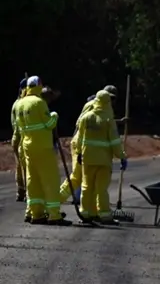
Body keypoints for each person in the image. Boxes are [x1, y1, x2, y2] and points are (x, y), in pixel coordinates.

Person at [12, 76, 70, 225]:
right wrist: (54, 115)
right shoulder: (39, 102)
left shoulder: (19, 104)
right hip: (43, 147)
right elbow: (49, 124)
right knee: (50, 180)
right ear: (38, 86)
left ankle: (36, 214)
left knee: (33, 181)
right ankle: (54, 215)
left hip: (27, 147)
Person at [75, 88, 127, 225]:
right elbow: (115, 141)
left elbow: (79, 139)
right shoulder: (108, 119)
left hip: (88, 158)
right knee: (101, 189)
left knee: (86, 187)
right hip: (103, 160)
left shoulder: (85, 118)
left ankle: (86, 214)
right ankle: (105, 215)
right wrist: (122, 156)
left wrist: (79, 152)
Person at [11, 78, 28, 206]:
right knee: (26, 166)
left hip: (15, 136)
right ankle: (29, 192)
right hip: (22, 136)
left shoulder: (15, 103)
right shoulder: (23, 104)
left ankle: (20, 192)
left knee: (19, 166)